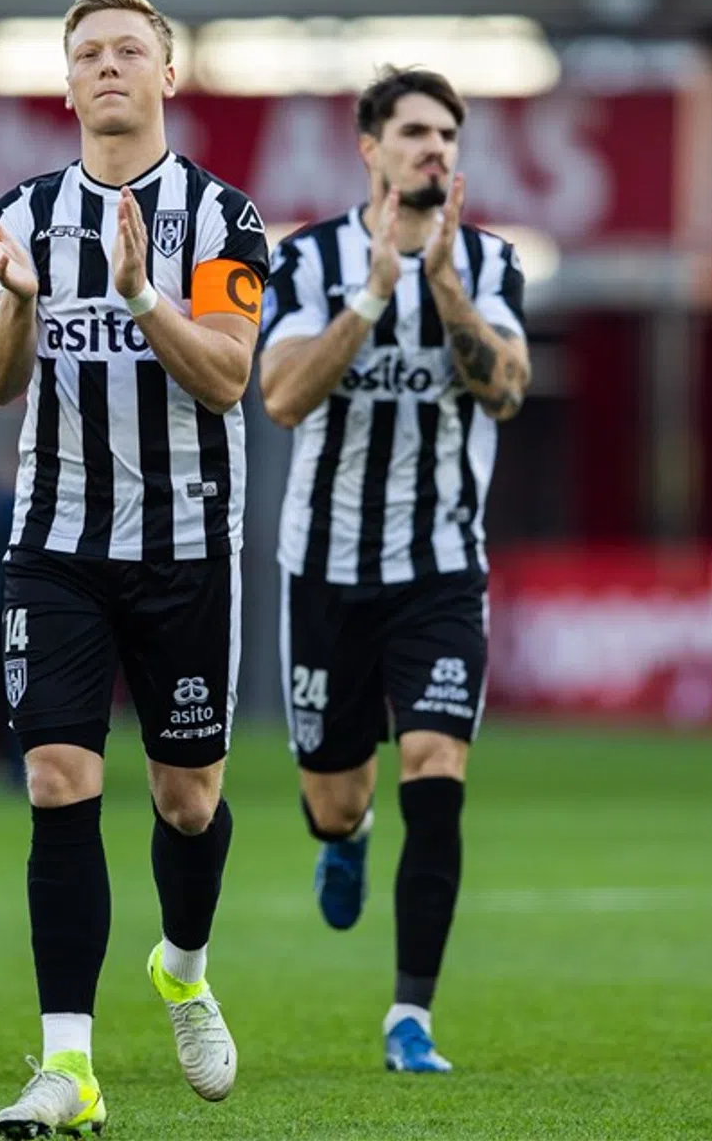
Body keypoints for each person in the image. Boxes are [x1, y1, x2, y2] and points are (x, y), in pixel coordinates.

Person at [0, 0, 269, 1139]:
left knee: (187, 803)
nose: (105, 67)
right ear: (64, 81)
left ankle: (182, 969)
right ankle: (66, 1066)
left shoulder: (223, 219)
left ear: (166, 75)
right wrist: (20, 302)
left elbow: (227, 376)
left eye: (126, 51)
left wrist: (140, 293)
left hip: (186, 545)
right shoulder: (22, 215)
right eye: (85, 52)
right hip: (55, 546)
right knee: (58, 781)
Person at [258, 65, 531, 1075]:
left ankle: (409, 1014)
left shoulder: (492, 265)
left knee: (436, 767)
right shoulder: (308, 260)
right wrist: (374, 296)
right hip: (324, 571)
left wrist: (449, 298)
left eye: (447, 136)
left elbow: (504, 392)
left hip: (440, 572)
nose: (435, 150)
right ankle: (346, 831)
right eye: (414, 132)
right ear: (368, 149)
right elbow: (281, 397)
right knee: (333, 798)